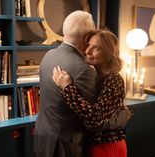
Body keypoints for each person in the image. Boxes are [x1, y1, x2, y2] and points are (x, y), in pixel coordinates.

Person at [52, 30, 127, 157]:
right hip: (91, 146)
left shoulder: (114, 79)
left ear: (109, 54)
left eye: (96, 48)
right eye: (89, 45)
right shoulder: (94, 76)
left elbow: (94, 120)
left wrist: (67, 88)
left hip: (108, 148)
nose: (87, 51)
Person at [34, 10, 97, 157]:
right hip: (65, 145)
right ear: (87, 37)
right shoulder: (85, 70)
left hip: (43, 134)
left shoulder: (48, 55)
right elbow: (90, 118)